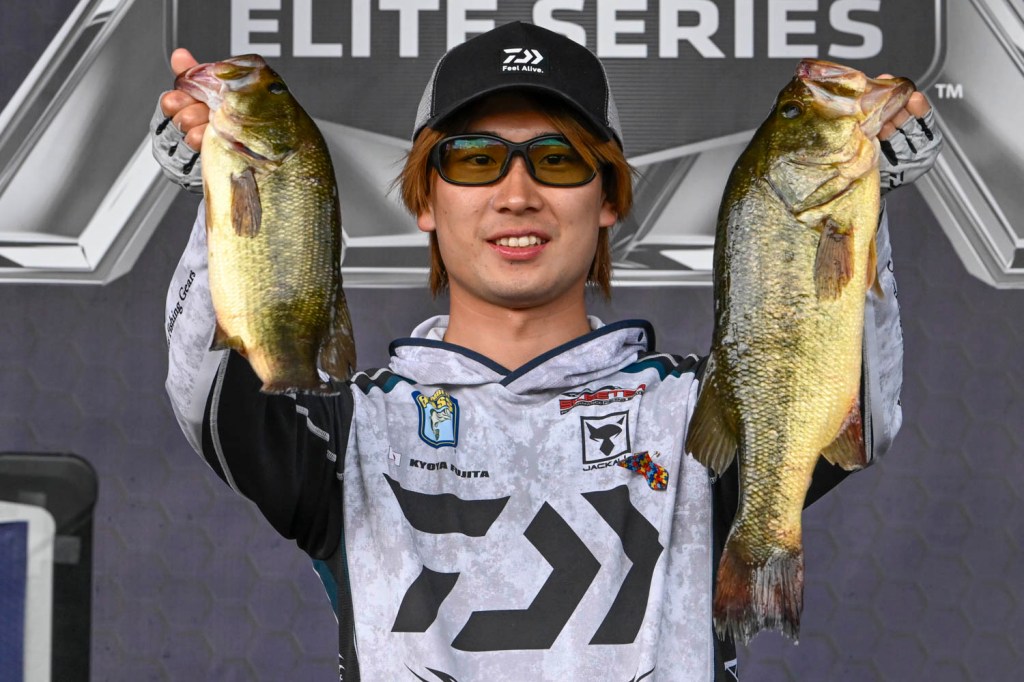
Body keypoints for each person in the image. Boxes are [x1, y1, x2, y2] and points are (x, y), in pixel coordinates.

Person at [153, 21, 942, 681]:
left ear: (609, 198)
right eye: (474, 158)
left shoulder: (690, 410)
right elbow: (206, 394)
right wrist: (222, 188)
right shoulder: (351, 429)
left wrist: (865, 206)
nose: (517, 194)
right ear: (426, 198)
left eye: (558, 160)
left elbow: (856, 412)